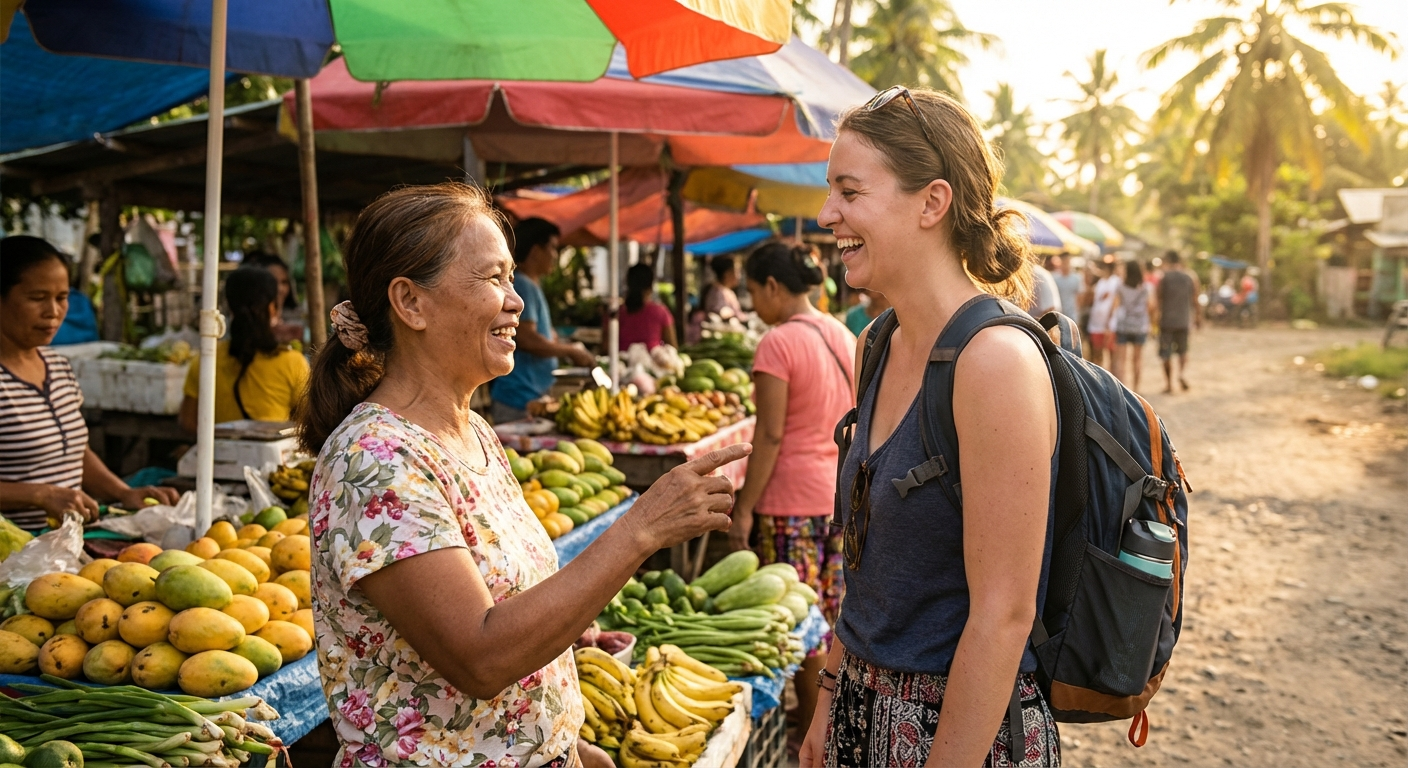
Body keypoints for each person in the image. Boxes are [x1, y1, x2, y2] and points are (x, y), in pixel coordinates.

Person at [295, 183, 750, 767]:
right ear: (410, 303)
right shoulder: (374, 458)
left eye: (512, 279)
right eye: (492, 280)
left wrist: (562, 736)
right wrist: (640, 530)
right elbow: (480, 655)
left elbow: (509, 607)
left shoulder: (474, 433)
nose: (516, 302)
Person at [803, 87, 1060, 767]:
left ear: (932, 202)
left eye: (849, 191)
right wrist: (829, 698)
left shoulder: (995, 363)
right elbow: (869, 563)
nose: (827, 214)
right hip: (861, 710)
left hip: (961, 732)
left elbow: (1004, 618)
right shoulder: (877, 345)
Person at [728, 241, 856, 739]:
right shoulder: (845, 336)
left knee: (800, 627)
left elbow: (770, 434)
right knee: (830, 617)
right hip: (837, 501)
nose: (752, 301)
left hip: (790, 505)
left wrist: (745, 508)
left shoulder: (777, 343)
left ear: (774, 287)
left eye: (753, 291)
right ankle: (825, 725)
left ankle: (810, 733)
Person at [0, 236, 179, 530]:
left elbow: (75, 451)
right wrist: (40, 494)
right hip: (13, 557)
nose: (53, 312)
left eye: (62, 297)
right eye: (37, 298)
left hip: (64, 547)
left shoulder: (57, 366)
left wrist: (124, 492)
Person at [489, 217, 593, 424]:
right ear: (536, 250)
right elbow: (527, 339)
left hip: (530, 394)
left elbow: (542, 336)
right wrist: (570, 351)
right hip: (518, 397)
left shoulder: (531, 285)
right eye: (553, 248)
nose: (555, 255)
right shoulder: (523, 286)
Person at [178, 268, 310, 431]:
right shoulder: (293, 362)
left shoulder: (206, 359)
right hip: (273, 455)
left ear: (230, 308)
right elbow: (309, 423)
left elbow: (188, 421)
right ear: (272, 308)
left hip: (218, 454)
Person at [1154, 250, 1200, 393]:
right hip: (1184, 320)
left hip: (1166, 321)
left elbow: (1158, 300)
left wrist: (1154, 321)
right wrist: (1199, 317)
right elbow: (1195, 299)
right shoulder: (1190, 277)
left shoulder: (1163, 278)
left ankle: (1169, 384)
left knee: (1165, 353)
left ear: (1167, 261)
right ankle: (1181, 374)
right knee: (1183, 351)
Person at [1111, 259, 1152, 391]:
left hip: (1123, 325)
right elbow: (1150, 306)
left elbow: (1115, 305)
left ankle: (1122, 389)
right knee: (1137, 359)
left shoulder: (1120, 286)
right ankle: (1136, 389)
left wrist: (1108, 322)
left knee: (1121, 360)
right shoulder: (1146, 287)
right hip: (1140, 326)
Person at [247, 252, 304, 344]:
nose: (279, 288)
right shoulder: (247, 320)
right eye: (272, 282)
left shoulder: (298, 318)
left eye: (284, 282)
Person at [616, 263, 675, 350]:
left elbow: (606, 347)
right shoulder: (661, 312)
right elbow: (672, 348)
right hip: (653, 363)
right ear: (651, 286)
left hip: (620, 362)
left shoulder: (615, 314)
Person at [1087, 260, 1122, 370]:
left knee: (1111, 353)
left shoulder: (1116, 282)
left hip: (1110, 324)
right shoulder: (1100, 282)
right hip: (1096, 323)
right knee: (1097, 352)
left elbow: (1116, 302)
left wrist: (1109, 321)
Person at [1049, 255, 1083, 323]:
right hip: (1058, 313)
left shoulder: (1076, 278)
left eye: (1067, 262)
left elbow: (1079, 296)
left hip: (1071, 314)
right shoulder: (1054, 278)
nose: (1065, 265)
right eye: (1064, 262)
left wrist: (1077, 311)